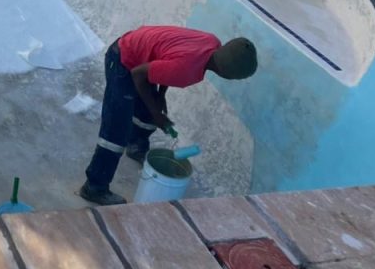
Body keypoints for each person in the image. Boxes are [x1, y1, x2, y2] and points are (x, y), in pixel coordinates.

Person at [78, 26, 258, 206]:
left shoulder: (212, 43)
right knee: (117, 131)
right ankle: (94, 187)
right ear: (225, 74)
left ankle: (136, 147)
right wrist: (157, 113)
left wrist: (159, 96)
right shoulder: (186, 71)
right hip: (123, 60)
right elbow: (138, 74)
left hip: (142, 55)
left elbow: (170, 60)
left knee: (149, 111)